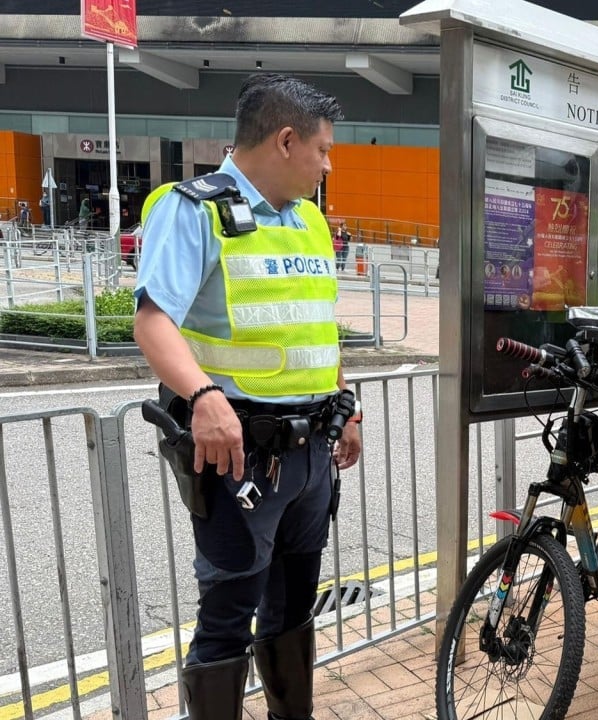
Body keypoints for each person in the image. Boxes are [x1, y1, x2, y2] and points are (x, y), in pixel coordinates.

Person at [133, 73, 362, 720]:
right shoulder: (192, 208)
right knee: (228, 614)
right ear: (285, 141)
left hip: (312, 454)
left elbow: (315, 326)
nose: (327, 163)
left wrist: (345, 406)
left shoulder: (311, 222)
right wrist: (202, 396)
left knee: (293, 606)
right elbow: (153, 321)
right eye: (322, 149)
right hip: (240, 458)